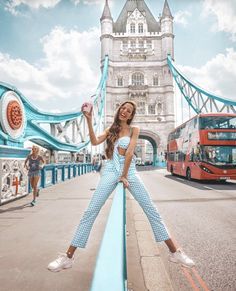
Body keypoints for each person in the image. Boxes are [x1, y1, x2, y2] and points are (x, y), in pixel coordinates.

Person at [48, 101, 195, 272]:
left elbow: (130, 152)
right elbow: (95, 142)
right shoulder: (111, 130)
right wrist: (89, 119)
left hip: (130, 171)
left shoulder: (135, 130)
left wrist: (124, 175)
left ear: (132, 115)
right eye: (123, 108)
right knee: (91, 211)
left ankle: (175, 252)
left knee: (151, 209)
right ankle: (68, 257)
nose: (125, 112)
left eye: (129, 111)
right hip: (110, 169)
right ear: (119, 110)